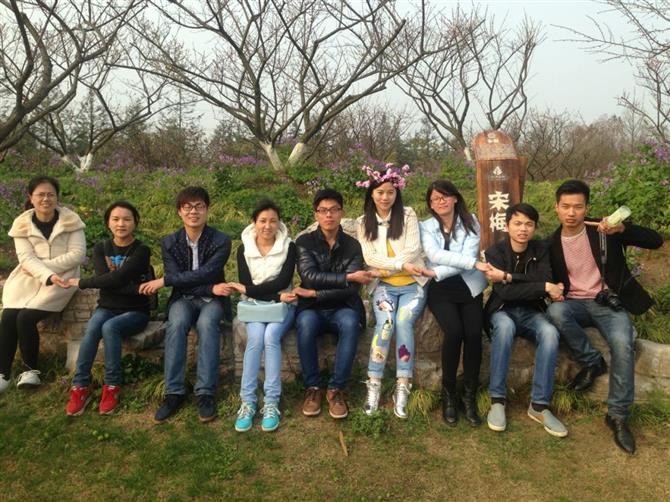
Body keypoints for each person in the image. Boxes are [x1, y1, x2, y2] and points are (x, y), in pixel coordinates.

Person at [546, 179, 662, 454]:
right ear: (556, 208)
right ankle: (592, 362)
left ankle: (618, 415)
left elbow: (655, 241)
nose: (571, 212)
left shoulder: (605, 229)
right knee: (554, 311)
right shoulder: (550, 243)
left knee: (622, 343)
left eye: (578, 206)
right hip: (573, 304)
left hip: (607, 303)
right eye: (566, 206)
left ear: (587, 208)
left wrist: (622, 228)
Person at [139, 186, 232, 424]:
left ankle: (205, 393)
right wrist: (209, 288)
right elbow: (183, 280)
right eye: (187, 207)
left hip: (213, 301)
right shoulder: (170, 242)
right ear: (179, 211)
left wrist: (167, 281)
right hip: (184, 298)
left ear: (207, 210)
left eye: (199, 206)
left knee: (208, 323)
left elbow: (207, 273)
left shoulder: (221, 240)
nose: (193, 212)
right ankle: (174, 392)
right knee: (177, 321)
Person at [483, 203, 567, 437]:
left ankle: (539, 405)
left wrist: (509, 277)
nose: (523, 229)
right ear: (507, 226)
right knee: (504, 328)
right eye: (518, 223)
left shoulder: (541, 249)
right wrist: (542, 286)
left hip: (532, 311)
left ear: (535, 227)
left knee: (550, 333)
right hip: (502, 310)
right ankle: (497, 400)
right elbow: (506, 292)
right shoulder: (495, 253)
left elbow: (544, 281)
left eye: (529, 224)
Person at [64, 201, 152, 416]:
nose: (121, 224)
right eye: (116, 219)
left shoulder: (141, 250)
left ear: (135, 222)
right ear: (108, 223)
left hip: (136, 311)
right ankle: (80, 387)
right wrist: (132, 288)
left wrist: (84, 282)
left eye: (127, 219)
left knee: (110, 327)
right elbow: (108, 280)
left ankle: (112, 386)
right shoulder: (101, 248)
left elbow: (114, 279)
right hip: (107, 307)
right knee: (93, 327)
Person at [355, 165, 429, 419]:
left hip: (412, 285)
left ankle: (402, 384)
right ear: (371, 194)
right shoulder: (363, 222)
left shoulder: (408, 215)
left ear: (397, 193)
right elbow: (369, 257)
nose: (385, 197)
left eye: (390, 192)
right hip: (383, 287)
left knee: (403, 322)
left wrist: (391, 267)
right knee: (386, 324)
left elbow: (412, 249)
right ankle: (374, 382)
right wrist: (399, 265)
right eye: (380, 192)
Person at [0, 176, 86, 393]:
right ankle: (3, 373)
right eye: (40, 195)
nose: (45, 199)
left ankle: (30, 371)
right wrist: (42, 272)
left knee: (26, 317)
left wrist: (46, 270)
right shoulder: (21, 224)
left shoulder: (71, 221)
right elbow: (25, 258)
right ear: (31, 197)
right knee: (9, 315)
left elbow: (77, 254)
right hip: (27, 277)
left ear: (57, 197)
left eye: (50, 194)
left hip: (63, 278)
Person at [293, 188, 372, 419]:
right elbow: (310, 277)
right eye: (323, 210)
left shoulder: (353, 245)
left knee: (350, 322)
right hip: (311, 310)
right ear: (316, 214)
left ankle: (336, 389)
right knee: (305, 323)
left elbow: (351, 290)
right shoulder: (304, 242)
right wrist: (348, 277)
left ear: (341, 213)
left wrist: (314, 294)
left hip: (343, 306)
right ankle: (313, 387)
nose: (329, 215)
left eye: (334, 210)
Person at [420, 180, 489, 426]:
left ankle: (469, 395)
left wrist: (438, 270)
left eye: (445, 196)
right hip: (440, 289)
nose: (440, 202)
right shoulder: (426, 226)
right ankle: (448, 394)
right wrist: (469, 263)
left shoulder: (471, 221)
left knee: (473, 334)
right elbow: (433, 254)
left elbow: (467, 256)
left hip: (469, 286)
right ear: (430, 204)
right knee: (454, 332)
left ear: (455, 198)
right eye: (435, 199)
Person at [224, 200, 297, 433]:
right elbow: (246, 284)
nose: (267, 226)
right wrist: (254, 291)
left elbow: (282, 281)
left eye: (273, 221)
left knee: (271, 337)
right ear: (254, 223)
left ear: (279, 223)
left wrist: (253, 291)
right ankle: (247, 401)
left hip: (283, 305)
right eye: (262, 221)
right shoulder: (244, 249)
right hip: (254, 307)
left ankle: (271, 402)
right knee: (255, 339)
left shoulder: (289, 247)